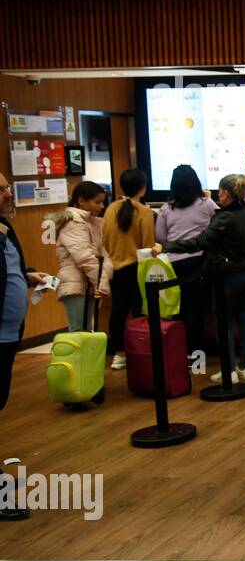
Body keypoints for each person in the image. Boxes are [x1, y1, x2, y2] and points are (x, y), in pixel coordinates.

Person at [154, 174, 245, 381]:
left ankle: (229, 370)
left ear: (225, 192)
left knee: (224, 323)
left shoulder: (224, 217)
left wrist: (166, 247)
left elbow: (201, 242)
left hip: (228, 276)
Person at [0, 173, 52, 412]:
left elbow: (9, 267)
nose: (9, 194)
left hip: (10, 333)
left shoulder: (5, 227)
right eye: (1, 190)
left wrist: (26, 275)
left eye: (8, 188)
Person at [152, 165, 217, 356]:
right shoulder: (206, 204)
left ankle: (177, 351)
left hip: (174, 263)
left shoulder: (166, 208)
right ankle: (194, 352)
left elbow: (161, 237)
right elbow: (220, 223)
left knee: (177, 307)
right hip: (199, 261)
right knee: (197, 308)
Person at [101, 168, 154, 371]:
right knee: (140, 311)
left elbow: (104, 239)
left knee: (118, 311)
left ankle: (119, 354)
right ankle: (141, 351)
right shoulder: (144, 211)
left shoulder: (111, 208)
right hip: (136, 268)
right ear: (142, 188)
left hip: (114, 268)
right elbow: (148, 245)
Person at [49, 180, 113, 333]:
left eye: (102, 202)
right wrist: (101, 284)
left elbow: (104, 257)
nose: (102, 206)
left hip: (87, 283)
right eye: (97, 202)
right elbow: (86, 258)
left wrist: (101, 282)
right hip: (75, 285)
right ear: (81, 201)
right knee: (78, 332)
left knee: (86, 331)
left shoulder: (90, 223)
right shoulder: (74, 223)